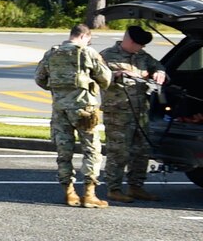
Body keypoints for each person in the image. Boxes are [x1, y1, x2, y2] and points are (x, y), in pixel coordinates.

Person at [33, 22, 113, 207]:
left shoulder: (52, 53)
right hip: (84, 110)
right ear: (85, 37)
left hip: (60, 110)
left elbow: (39, 78)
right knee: (91, 150)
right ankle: (89, 195)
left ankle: (69, 193)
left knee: (64, 152)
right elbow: (106, 79)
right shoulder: (88, 53)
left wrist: (59, 91)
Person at [98, 24, 166, 202]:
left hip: (140, 111)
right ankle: (114, 188)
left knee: (141, 151)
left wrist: (159, 72)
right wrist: (116, 75)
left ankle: (136, 187)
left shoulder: (142, 56)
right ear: (129, 40)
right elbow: (95, 77)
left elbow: (156, 65)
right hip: (117, 113)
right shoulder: (106, 56)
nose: (142, 49)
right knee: (119, 152)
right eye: (139, 45)